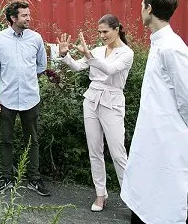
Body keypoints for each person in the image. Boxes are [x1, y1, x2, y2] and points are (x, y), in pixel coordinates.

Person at [121, 0, 188, 224]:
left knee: (169, 201)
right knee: (151, 195)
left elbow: (187, 97)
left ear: (149, 8)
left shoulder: (170, 47)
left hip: (165, 137)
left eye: (141, 6)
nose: (140, 10)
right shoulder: (160, 43)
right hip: (154, 134)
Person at [56, 14, 134, 211]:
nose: (102, 36)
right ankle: (100, 195)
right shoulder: (98, 50)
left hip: (113, 102)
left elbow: (109, 69)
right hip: (91, 100)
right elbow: (77, 67)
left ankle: (132, 198)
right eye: (99, 32)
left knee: (118, 153)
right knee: (94, 151)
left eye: (105, 31)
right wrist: (65, 55)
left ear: (117, 29)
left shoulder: (126, 53)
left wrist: (90, 56)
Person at [0, 0, 49, 196]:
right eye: (24, 15)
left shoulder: (36, 38)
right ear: (13, 18)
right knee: (5, 140)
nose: (28, 18)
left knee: (32, 140)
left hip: (31, 98)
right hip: (6, 99)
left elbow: (41, 66)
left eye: (28, 14)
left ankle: (34, 179)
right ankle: (6, 178)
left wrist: (27, 79)